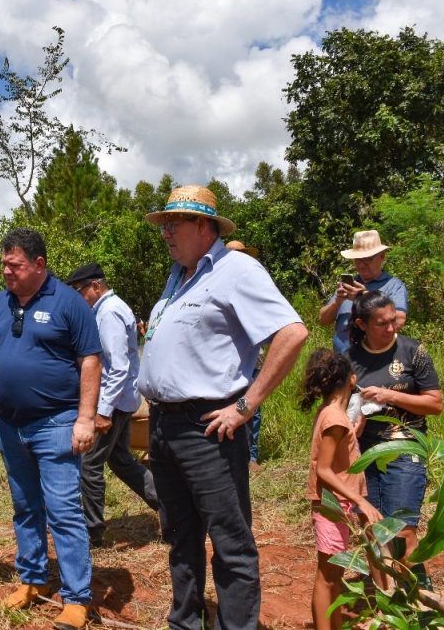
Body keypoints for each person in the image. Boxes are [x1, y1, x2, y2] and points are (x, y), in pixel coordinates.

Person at [138, 185, 308, 629]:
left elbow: (291, 333)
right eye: (164, 226)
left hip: (208, 428)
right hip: (163, 425)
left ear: (202, 225)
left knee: (230, 541)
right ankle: (186, 621)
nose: (165, 234)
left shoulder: (236, 269)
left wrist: (246, 405)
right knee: (180, 536)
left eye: (173, 225)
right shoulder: (180, 275)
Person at [0, 228, 101, 630]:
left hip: (57, 423)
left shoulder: (69, 303)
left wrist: (85, 418)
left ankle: (77, 597)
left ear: (39, 265)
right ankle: (33, 579)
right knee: (25, 507)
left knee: (63, 511)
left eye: (15, 265)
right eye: (4, 264)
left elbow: (90, 362)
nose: (7, 271)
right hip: (9, 426)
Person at [345, 290, 441, 587]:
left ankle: (419, 601)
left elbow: (435, 404)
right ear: (362, 325)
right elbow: (338, 407)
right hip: (364, 453)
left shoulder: (413, 352)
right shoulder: (349, 360)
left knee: (402, 531)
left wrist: (390, 396)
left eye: (393, 321)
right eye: (381, 324)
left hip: (405, 446)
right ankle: (385, 601)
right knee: (373, 529)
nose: (391, 328)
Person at [64, 262, 158, 547]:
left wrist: (103, 411)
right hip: (119, 400)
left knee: (90, 464)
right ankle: (169, 506)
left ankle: (92, 532)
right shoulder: (107, 309)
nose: (79, 298)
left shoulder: (109, 313)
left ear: (95, 286)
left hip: (113, 403)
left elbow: (117, 366)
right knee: (121, 460)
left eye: (80, 292)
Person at [300, 349, 381, 630]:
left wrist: (353, 432)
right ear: (352, 379)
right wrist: (361, 500)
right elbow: (324, 470)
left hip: (336, 505)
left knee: (334, 575)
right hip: (334, 505)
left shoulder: (333, 415)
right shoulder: (334, 418)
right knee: (328, 576)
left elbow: (336, 457)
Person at [318, 230, 408, 353]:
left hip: (374, 362)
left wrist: (363, 297)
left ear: (382, 257)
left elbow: (399, 320)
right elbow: (323, 320)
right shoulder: (350, 285)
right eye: (358, 259)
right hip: (342, 362)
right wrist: (337, 302)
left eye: (368, 259)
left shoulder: (394, 286)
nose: (362, 264)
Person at [226, 240, 265, 469]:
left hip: (254, 357)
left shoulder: (254, 282)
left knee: (253, 406)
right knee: (232, 405)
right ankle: (236, 453)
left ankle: (251, 455)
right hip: (232, 361)